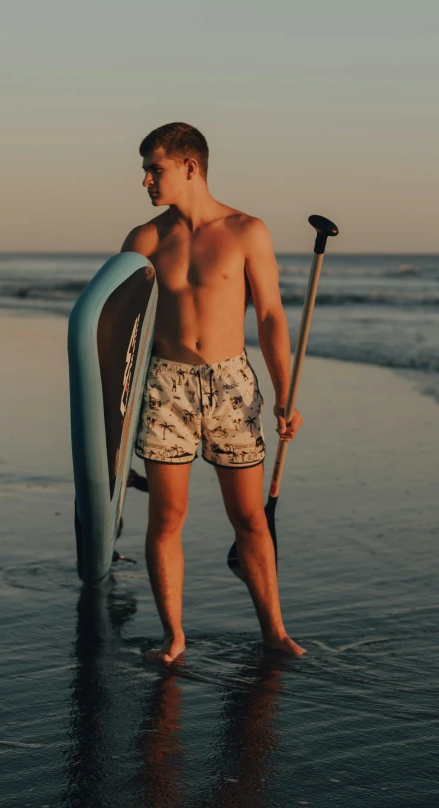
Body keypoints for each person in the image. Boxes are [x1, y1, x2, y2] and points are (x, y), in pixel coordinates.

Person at [121, 122, 305, 662]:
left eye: (155, 168)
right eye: (146, 169)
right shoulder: (145, 240)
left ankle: (274, 631)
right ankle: (174, 637)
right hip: (166, 386)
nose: (146, 180)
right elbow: (120, 330)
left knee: (248, 517)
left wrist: (285, 394)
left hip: (230, 384)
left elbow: (270, 316)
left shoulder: (247, 231)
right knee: (167, 517)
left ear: (190, 167)